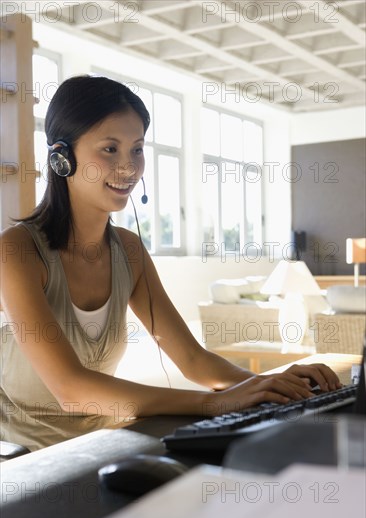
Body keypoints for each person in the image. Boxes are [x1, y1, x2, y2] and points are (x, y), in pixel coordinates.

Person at [0, 75, 341, 451]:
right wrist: (210, 403)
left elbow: (192, 358)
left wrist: (267, 387)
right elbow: (71, 389)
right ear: (61, 158)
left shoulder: (128, 250)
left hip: (97, 446)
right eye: (109, 149)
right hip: (23, 462)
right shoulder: (17, 251)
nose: (128, 167)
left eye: (137, 149)